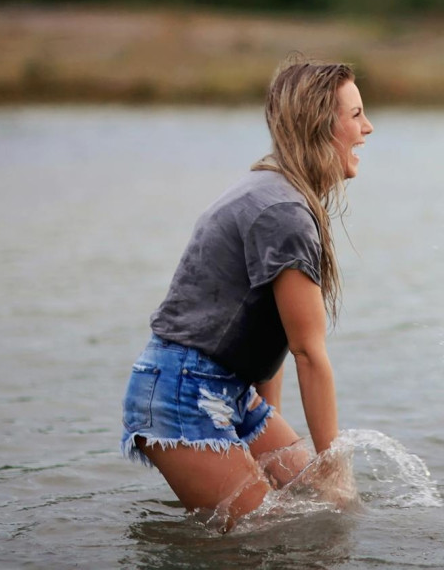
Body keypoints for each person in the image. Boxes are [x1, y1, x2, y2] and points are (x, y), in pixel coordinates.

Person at [120, 59, 373, 527]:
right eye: (356, 115)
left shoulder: (280, 193)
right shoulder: (284, 211)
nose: (368, 128)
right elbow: (308, 351)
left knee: (327, 513)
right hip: (183, 391)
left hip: (228, 389)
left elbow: (268, 335)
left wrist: (271, 445)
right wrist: (333, 466)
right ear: (321, 124)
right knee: (272, 534)